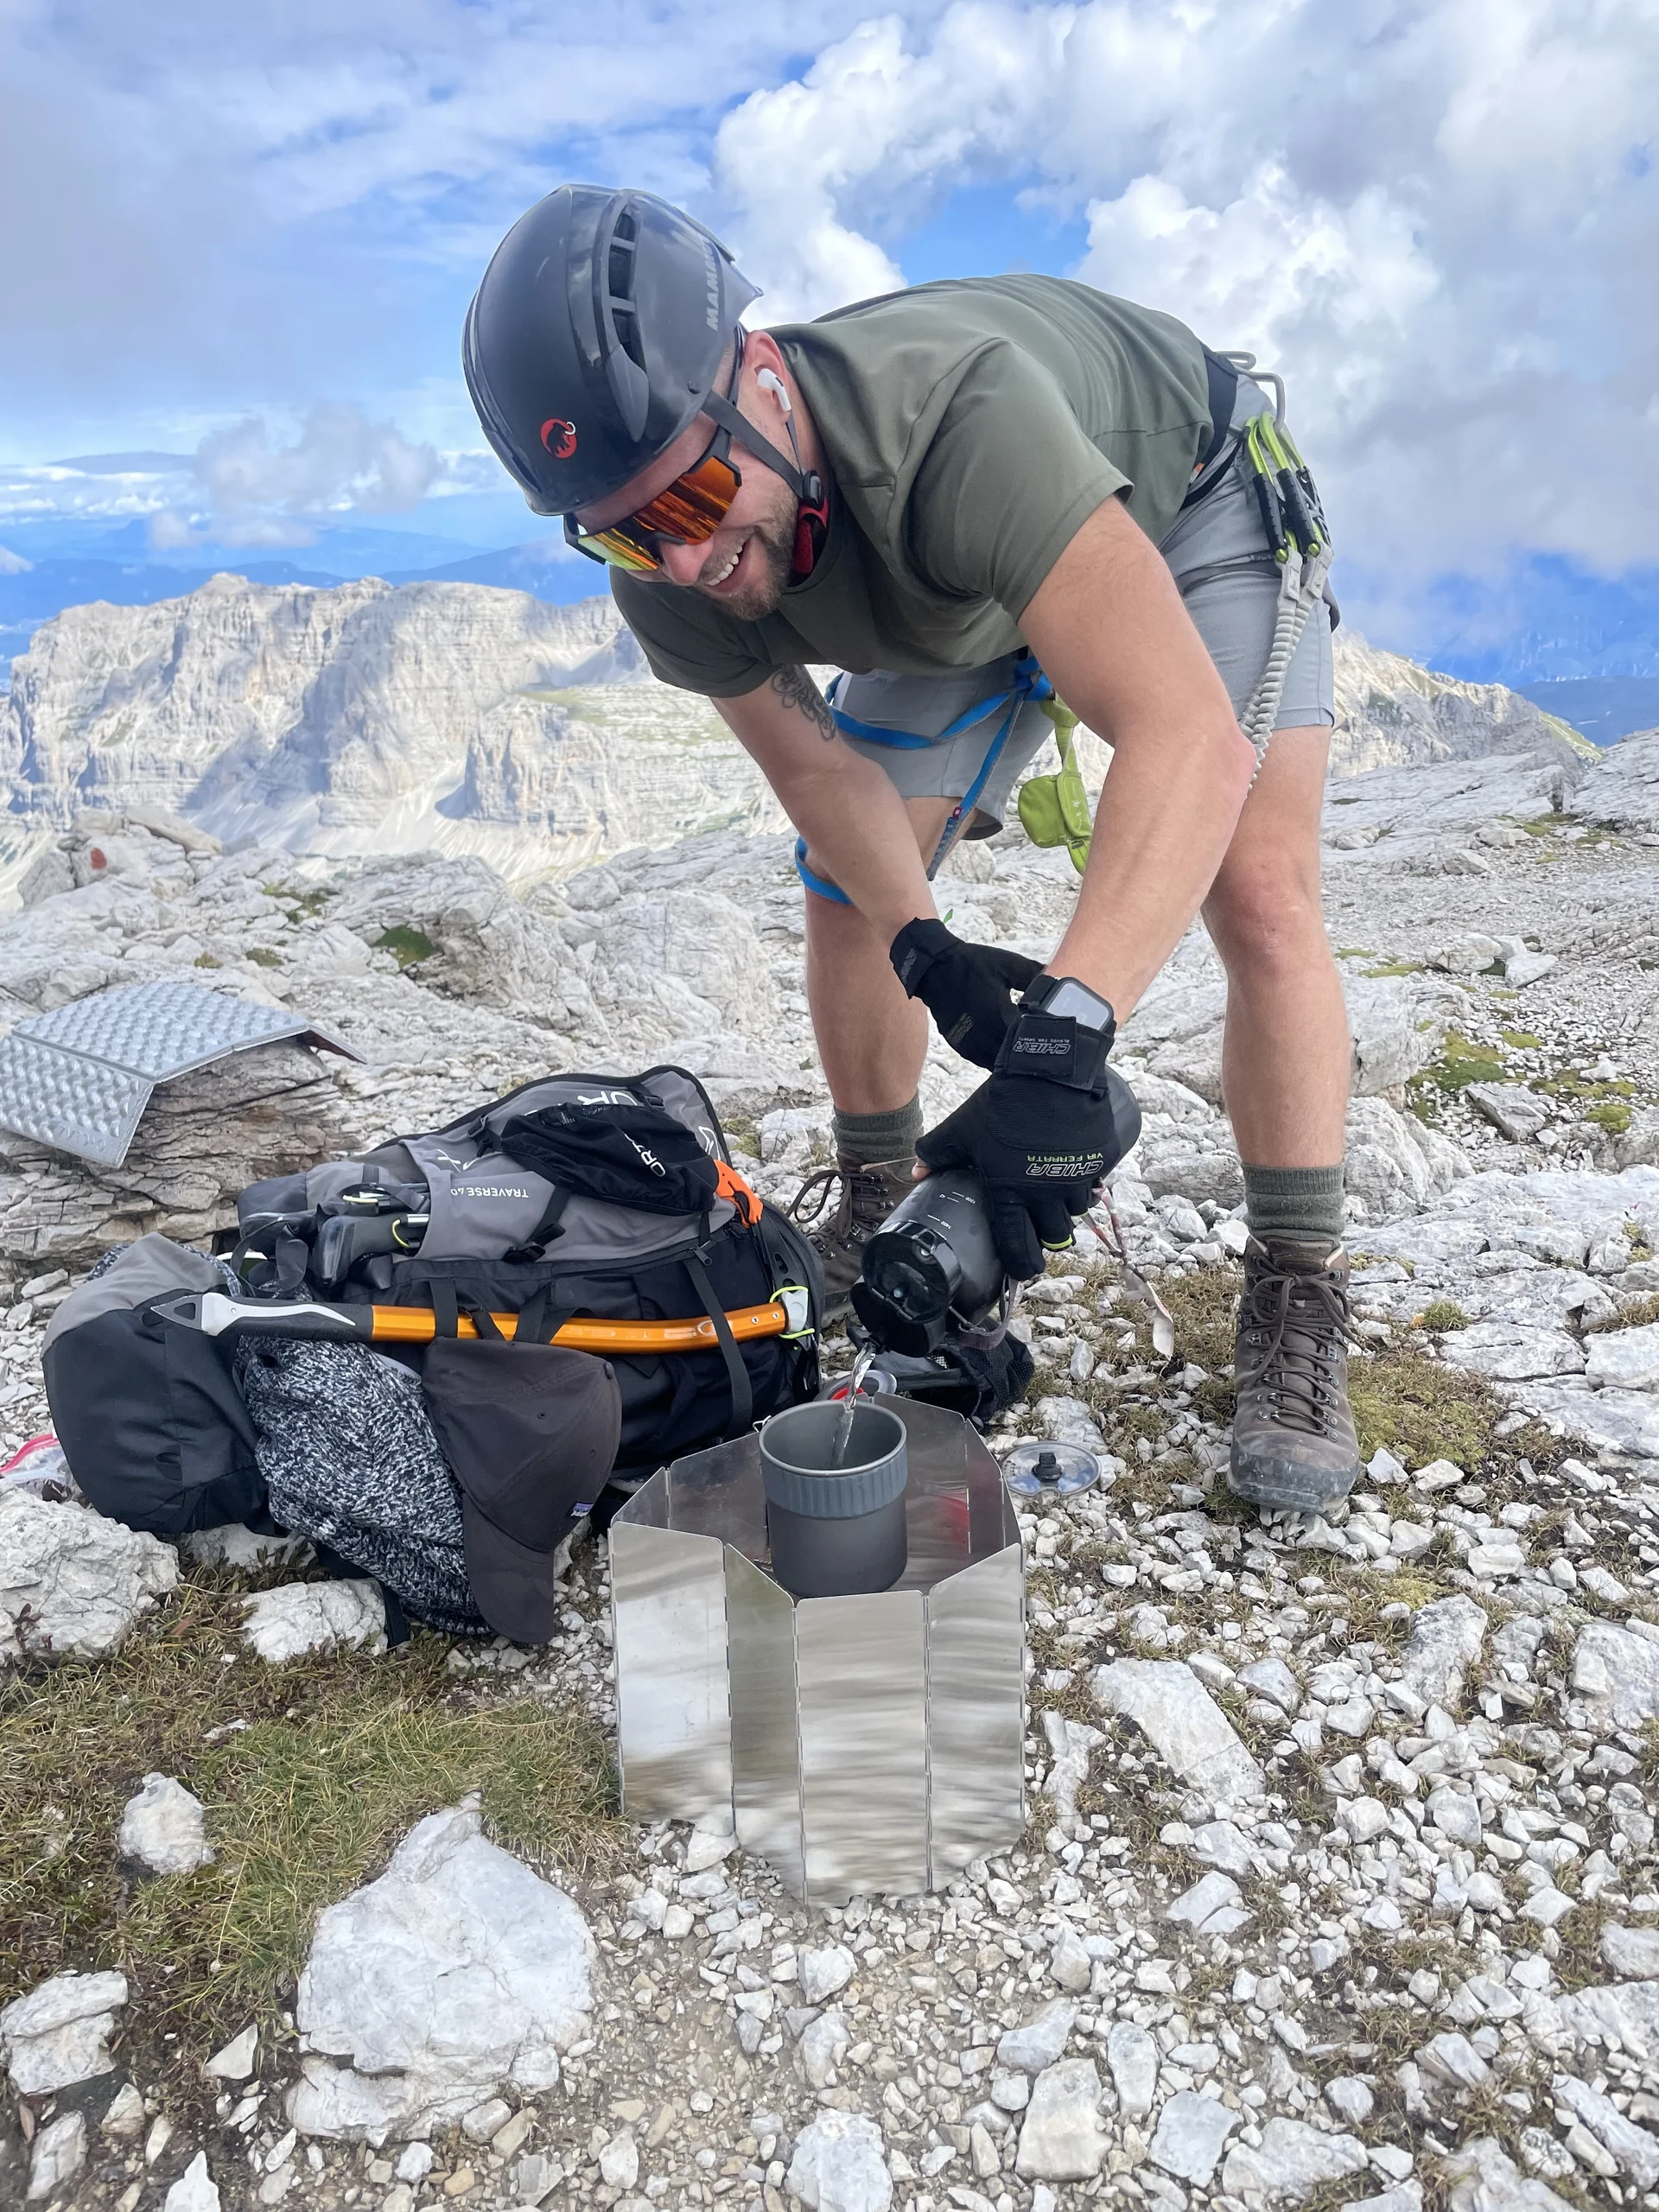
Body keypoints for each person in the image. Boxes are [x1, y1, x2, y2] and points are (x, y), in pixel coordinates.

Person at [463, 185, 1357, 1515]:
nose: (690, 553)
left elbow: (1184, 734)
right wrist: (925, 947)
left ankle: (1297, 1286)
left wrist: (1068, 1033)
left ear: (758, 380)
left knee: (1261, 893)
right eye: (629, 528)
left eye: (702, 492)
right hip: (961, 588)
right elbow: (823, 779)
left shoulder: (951, 419)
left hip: (1188, 507)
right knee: (847, 895)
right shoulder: (671, 573)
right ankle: (883, 1191)